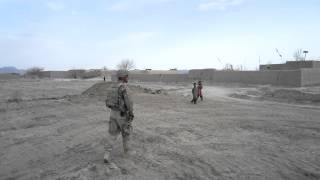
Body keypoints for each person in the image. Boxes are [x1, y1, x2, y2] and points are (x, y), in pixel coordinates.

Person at [104, 70, 134, 164]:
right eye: (127, 76)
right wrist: (131, 113)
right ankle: (128, 152)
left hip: (113, 113)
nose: (128, 77)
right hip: (122, 115)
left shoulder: (112, 86)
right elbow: (129, 103)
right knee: (126, 134)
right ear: (123, 77)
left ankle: (107, 154)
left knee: (112, 135)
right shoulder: (123, 87)